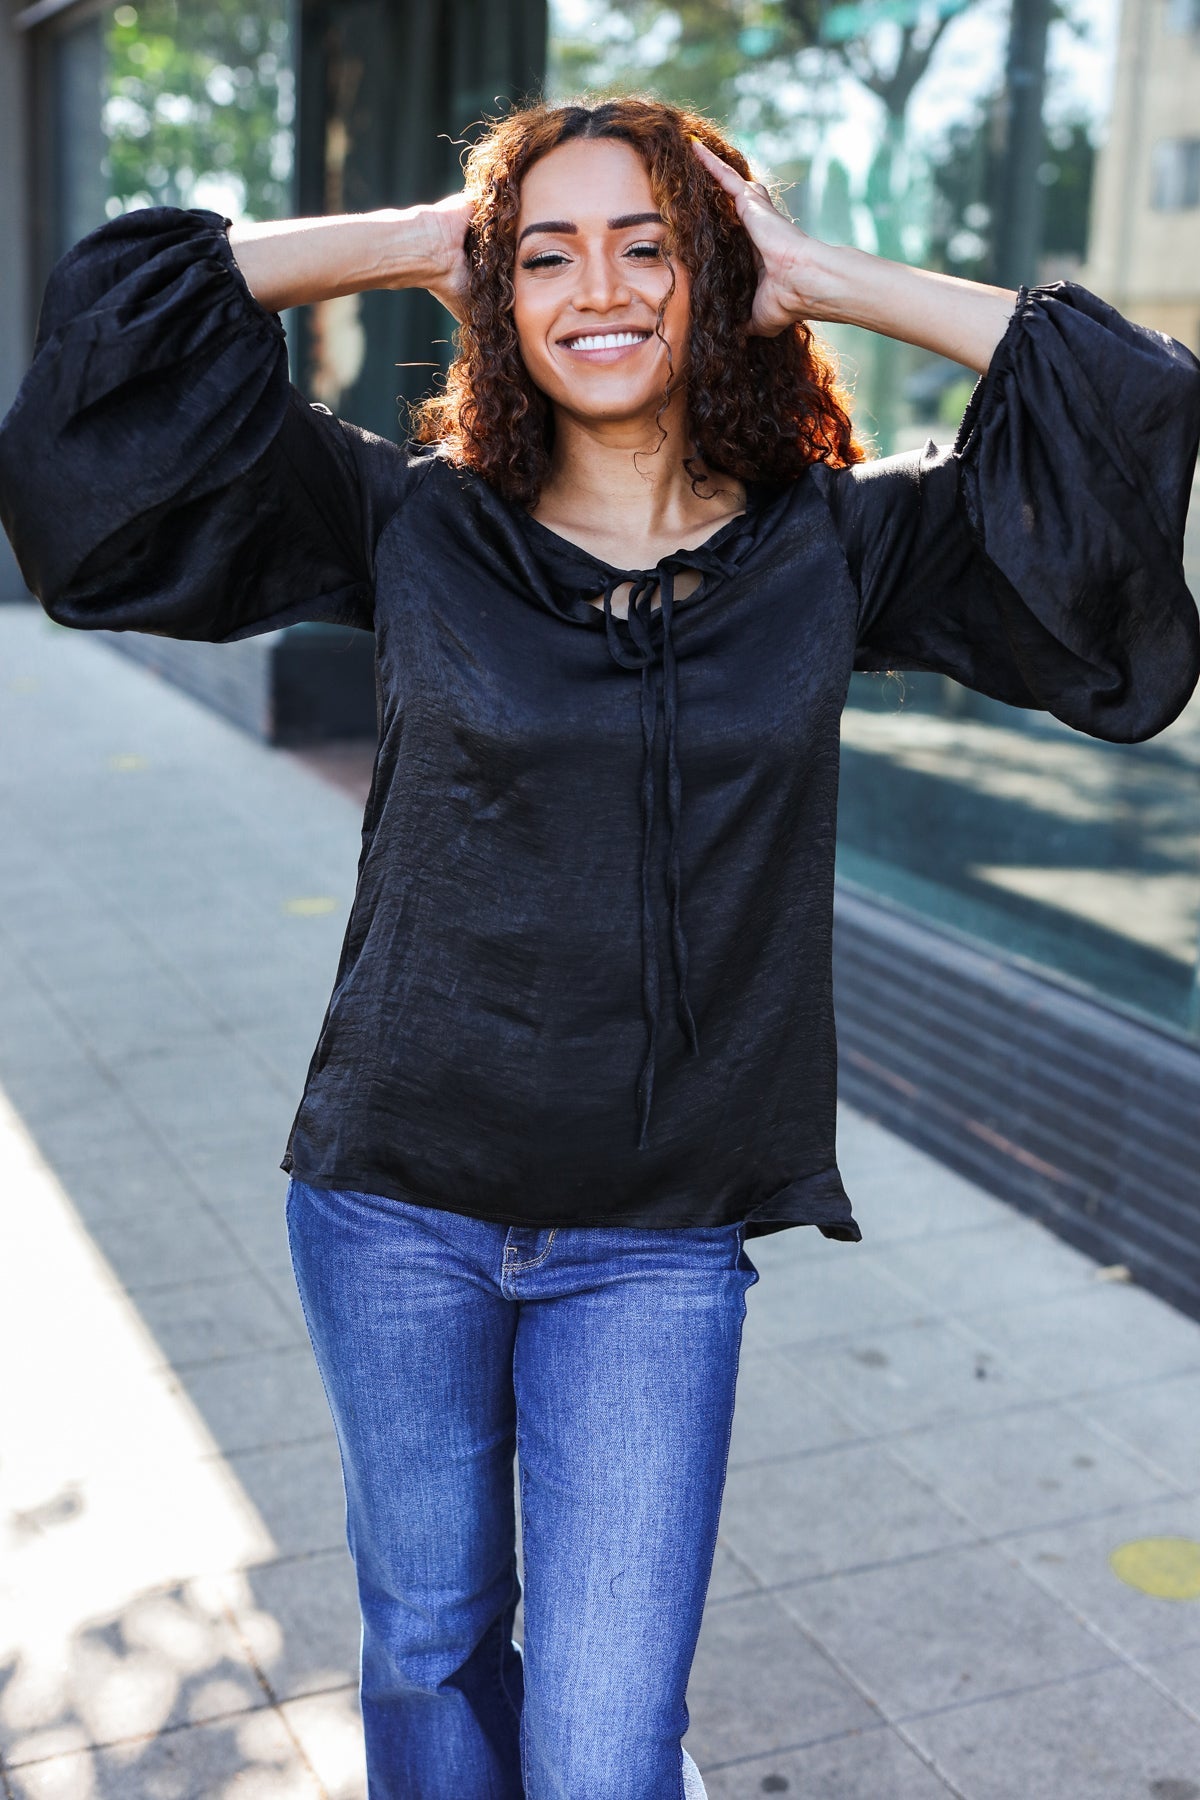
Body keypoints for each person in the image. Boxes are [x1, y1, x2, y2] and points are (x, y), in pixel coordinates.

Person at [1, 93, 1198, 1800]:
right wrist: (432, 236)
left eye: (653, 245)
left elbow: (1119, 403)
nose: (601, 288)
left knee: (607, 1740)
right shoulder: (411, 524)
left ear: (716, 279)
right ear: (501, 291)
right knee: (426, 1648)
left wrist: (818, 270)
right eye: (547, 254)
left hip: (653, 1242)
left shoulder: (832, 550)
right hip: (395, 1200)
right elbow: (112, 361)